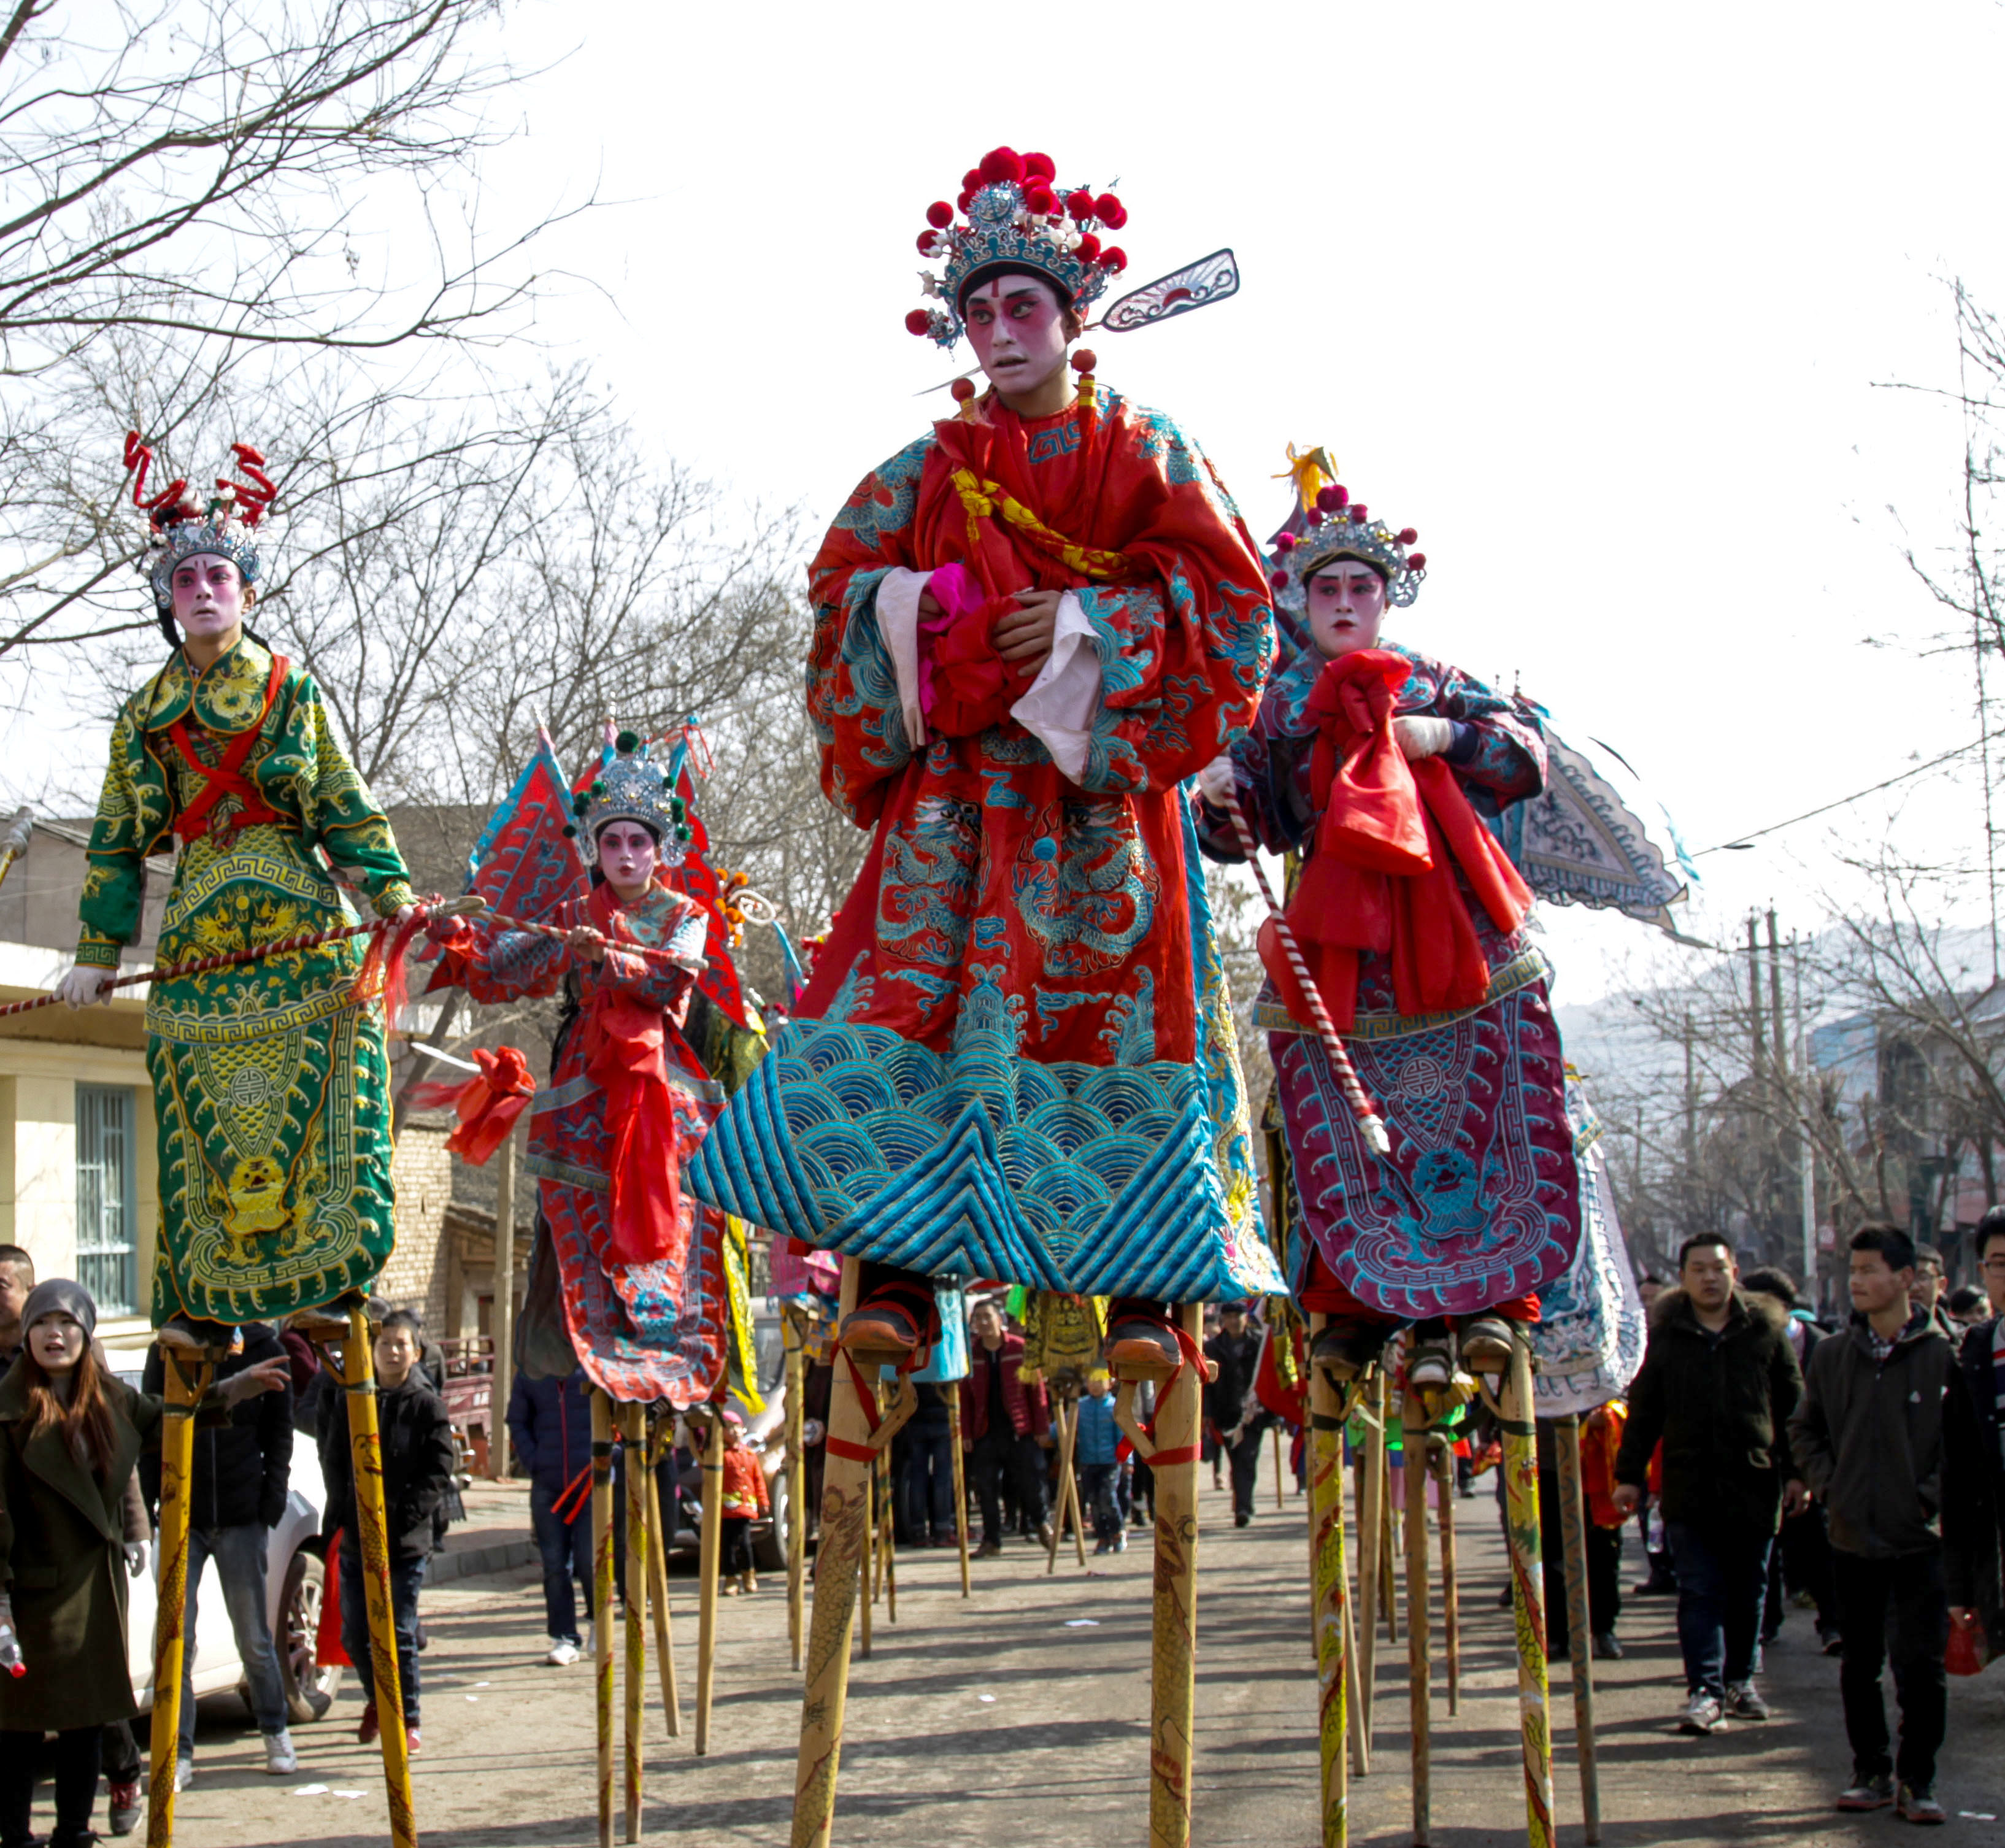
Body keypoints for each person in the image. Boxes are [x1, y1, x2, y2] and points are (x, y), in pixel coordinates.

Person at [688, 143, 1283, 1368]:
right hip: (960, 807)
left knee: (1116, 1021)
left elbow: (1231, 609)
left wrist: (1085, 625)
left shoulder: (1146, 453)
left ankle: (1146, 1297)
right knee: (902, 1000)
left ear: (1073, 318)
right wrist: (920, 611)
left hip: (1096, 804)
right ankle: (899, 1276)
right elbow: (841, 590)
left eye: (1022, 307)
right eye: (976, 311)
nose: (998, 331)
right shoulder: (924, 471)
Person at [1195, 463, 1575, 1383]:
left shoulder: (1434, 682)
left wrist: (1440, 737)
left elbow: (1529, 756)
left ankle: (1487, 1301)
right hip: (1341, 940)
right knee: (1334, 1109)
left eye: (1361, 587)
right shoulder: (1274, 710)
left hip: (1458, 929)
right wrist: (1218, 797)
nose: (1343, 602)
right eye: (1325, 588)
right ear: (1300, 600)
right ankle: (1360, 1303)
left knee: (1486, 1106)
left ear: (1386, 597)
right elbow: (1254, 822)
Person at [54, 447, 416, 1326]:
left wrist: (393, 899)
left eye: (221, 575)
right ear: (168, 601)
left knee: (332, 1094)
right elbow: (115, 843)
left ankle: (334, 1278)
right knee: (194, 1109)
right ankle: (197, 1297)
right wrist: (98, 952)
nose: (205, 590)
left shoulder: (293, 692)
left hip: (303, 928)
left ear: (247, 593)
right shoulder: (144, 715)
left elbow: (340, 800)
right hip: (198, 947)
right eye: (187, 580)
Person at [427, 733, 728, 1411]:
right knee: (580, 1223)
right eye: (613, 842)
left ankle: (663, 1343)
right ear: (595, 847)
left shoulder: (687, 916)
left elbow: (669, 977)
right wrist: (454, 930)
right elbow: (511, 963)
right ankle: (591, 1348)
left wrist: (613, 956)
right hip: (582, 1088)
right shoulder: (573, 915)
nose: (625, 855)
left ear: (660, 849)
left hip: (657, 1089)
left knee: (669, 1214)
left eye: (638, 842)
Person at [0, 1280, 285, 1848]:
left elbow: (172, 1416)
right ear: (26, 1335)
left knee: (87, 1721)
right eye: (42, 1325)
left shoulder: (108, 1399)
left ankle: (75, 1830)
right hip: (31, 1594)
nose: (53, 1336)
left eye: (67, 1325)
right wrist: (2, 1604)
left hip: (94, 1592)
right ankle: (14, 1834)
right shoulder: (5, 1412)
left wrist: (237, 1387)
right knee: (20, 1729)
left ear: (86, 1336)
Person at [1791, 1224, 2000, 1824]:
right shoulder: (1832, 1354)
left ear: (1906, 1279)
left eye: (1868, 1270)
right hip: (1852, 1535)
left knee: (1921, 1668)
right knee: (1859, 1663)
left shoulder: (1949, 1355)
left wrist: (1930, 1500)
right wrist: (1831, 1484)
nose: (1856, 1281)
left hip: (1922, 1541)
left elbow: (1966, 1448)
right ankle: (1870, 1770)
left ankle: (1918, 1780)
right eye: (1851, 1271)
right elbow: (1805, 1430)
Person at [1612, 1235, 1804, 1736]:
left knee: (1749, 1590)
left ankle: (1741, 1681)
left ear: (1734, 1270)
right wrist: (1629, 1477)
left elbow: (1794, 1407)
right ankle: (1705, 1690)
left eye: (1718, 1268)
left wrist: (1799, 1471)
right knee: (1699, 1591)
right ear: (1685, 1276)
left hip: (1754, 1482)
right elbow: (1645, 1411)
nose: (1709, 1278)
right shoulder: (1669, 1336)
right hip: (1688, 1486)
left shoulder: (1765, 1331)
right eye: (1698, 1269)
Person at [139, 1321, 297, 1787]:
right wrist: (154, 1505)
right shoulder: (170, 1349)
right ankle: (177, 1751)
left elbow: (280, 1434)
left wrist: (270, 1503)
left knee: (253, 1637)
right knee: (174, 1641)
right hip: (180, 1514)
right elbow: (153, 1429)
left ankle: (274, 1728)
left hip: (241, 1512)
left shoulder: (264, 1344)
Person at [316, 1308, 453, 1754]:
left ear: (415, 1353)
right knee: (356, 1632)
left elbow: (438, 1470)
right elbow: (335, 1458)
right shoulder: (354, 1398)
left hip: (405, 1542)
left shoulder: (426, 1404)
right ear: (371, 1351)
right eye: (384, 1344)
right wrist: (341, 1512)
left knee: (399, 1633)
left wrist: (403, 1515)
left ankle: (408, 1718)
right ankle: (380, 1700)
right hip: (358, 1536)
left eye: (401, 1344)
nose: (392, 1351)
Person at [1741, 1265, 1842, 1655]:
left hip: (1815, 1464)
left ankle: (1833, 1625)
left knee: (1820, 1549)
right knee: (1767, 1552)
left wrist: (1812, 1471)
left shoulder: (1824, 1347)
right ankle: (1766, 1626)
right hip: (1764, 1463)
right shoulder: (1746, 1345)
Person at [506, 1365, 596, 1666]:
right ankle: (564, 1638)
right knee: (555, 1566)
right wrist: (535, 1462)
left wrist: (610, 1454)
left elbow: (619, 1418)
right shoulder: (531, 1371)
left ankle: (599, 1621)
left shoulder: (593, 1365)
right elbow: (517, 1421)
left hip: (590, 1483)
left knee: (589, 1561)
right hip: (548, 1485)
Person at [960, 1299, 1052, 1556]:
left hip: (1020, 1429)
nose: (983, 1322)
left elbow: (1037, 1391)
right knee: (987, 1488)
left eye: (988, 1316)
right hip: (985, 1430)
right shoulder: (971, 1353)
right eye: (978, 1318)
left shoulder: (1020, 1349)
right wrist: (966, 1433)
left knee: (1031, 1480)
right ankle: (992, 1540)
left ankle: (1042, 1523)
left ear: (1000, 1319)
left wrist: (1042, 1427)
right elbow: (965, 1398)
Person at [1204, 1303, 1266, 1528]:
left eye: (1237, 1316)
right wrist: (1208, 1414)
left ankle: (1243, 1507)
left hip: (1253, 1413)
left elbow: (1268, 1377)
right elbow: (1208, 1385)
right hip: (1226, 1413)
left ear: (1245, 1318)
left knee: (1248, 1459)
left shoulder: (1258, 1343)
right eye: (1228, 1316)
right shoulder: (1213, 1348)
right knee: (1236, 1459)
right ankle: (1241, 1501)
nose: (1233, 1321)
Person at [717, 1411, 769, 1596]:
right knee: (728, 1546)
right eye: (729, 1428)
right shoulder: (720, 1455)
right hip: (726, 1512)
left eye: (737, 1428)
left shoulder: (749, 1455)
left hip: (745, 1510)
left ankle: (749, 1577)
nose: (734, 1432)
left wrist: (763, 1501)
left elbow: (759, 1480)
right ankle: (731, 1579)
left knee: (746, 1544)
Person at [903, 1381, 960, 1551]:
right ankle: (942, 1530)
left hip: (916, 1415)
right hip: (942, 1415)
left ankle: (918, 1531)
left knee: (917, 1478)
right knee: (942, 1477)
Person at [1074, 1370, 1123, 1554]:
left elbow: (1123, 1436)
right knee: (1094, 1501)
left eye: (1099, 1381)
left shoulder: (1114, 1406)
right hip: (1088, 1462)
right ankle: (1102, 1537)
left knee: (1108, 1497)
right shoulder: (1080, 1406)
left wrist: (1127, 1460)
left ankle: (1117, 1531)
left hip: (1110, 1461)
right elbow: (1064, 1425)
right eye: (1091, 1380)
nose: (1095, 1385)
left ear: (1110, 1383)